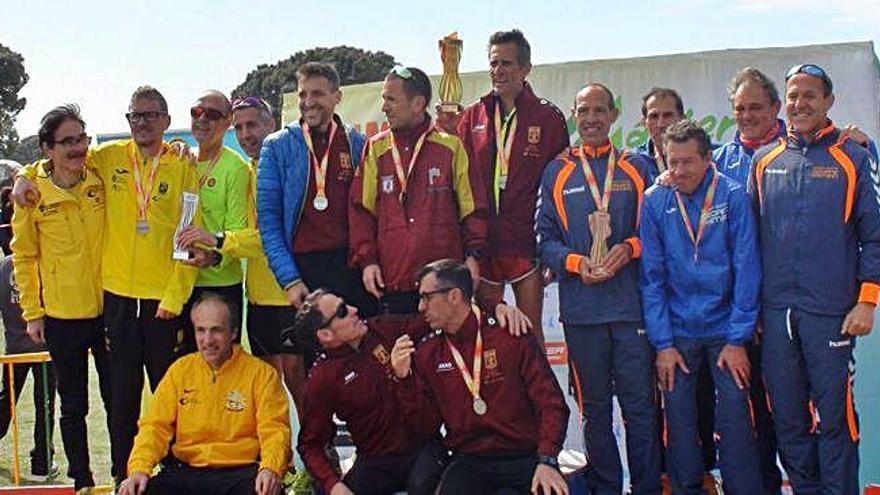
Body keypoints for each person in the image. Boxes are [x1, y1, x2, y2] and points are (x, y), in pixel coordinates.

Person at [12, 86, 201, 483]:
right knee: (119, 403)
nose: (143, 123)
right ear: (127, 121)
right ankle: (119, 478)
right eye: (136, 116)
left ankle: (175, 475)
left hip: (161, 301)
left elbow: (188, 235)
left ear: (167, 120)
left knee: (168, 395)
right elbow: (46, 168)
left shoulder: (182, 164)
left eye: (152, 116)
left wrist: (175, 295)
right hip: (112, 302)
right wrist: (20, 176)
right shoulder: (108, 158)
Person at [749, 64, 880, 494]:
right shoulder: (763, 160)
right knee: (787, 419)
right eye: (793, 96)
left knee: (835, 420)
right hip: (775, 314)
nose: (799, 104)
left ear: (829, 102)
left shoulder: (853, 157)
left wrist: (867, 300)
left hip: (832, 313)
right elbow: (747, 243)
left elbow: (875, 235)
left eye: (810, 95)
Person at [536, 83, 661, 494]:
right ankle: (606, 487)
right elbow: (545, 238)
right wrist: (575, 264)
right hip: (582, 312)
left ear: (613, 114)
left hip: (630, 311)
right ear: (574, 115)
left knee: (641, 410)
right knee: (594, 410)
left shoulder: (636, 167)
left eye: (599, 110)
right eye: (584, 111)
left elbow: (656, 232)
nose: (591, 119)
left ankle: (646, 487)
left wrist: (628, 249)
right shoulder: (558, 171)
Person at [292, 286, 529, 495]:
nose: (354, 309)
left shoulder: (384, 330)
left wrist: (495, 307)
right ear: (325, 335)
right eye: (342, 311)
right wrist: (334, 485)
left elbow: (444, 314)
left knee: (423, 484)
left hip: (423, 450)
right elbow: (310, 444)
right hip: (375, 462)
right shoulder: (321, 379)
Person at [641, 120, 762, 494]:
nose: (678, 171)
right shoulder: (655, 200)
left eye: (687, 162)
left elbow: (747, 268)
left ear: (708, 159)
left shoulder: (733, 195)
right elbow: (652, 277)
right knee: (678, 422)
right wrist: (663, 345)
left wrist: (738, 338)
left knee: (735, 419)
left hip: (726, 331)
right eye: (672, 162)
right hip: (678, 333)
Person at [391, 259, 569, 494]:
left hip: (524, 457)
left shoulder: (509, 334)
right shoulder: (428, 352)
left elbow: (552, 404)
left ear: (454, 296)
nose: (420, 307)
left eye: (427, 297)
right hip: (470, 461)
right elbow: (427, 426)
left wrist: (547, 459)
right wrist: (404, 380)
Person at [180, 96, 308, 405]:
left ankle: (318, 450)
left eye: (252, 125)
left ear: (271, 124)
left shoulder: (287, 169)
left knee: (299, 382)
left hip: (290, 292)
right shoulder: (246, 170)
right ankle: (278, 453)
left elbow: (271, 237)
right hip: (258, 297)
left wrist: (221, 241)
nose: (246, 134)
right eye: (240, 128)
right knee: (267, 389)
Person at [11, 105, 111, 493]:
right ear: (47, 149)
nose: (78, 148)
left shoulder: (99, 176)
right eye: (67, 141)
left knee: (118, 398)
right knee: (73, 406)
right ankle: (82, 480)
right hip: (61, 316)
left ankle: (124, 475)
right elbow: (23, 256)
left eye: (82, 138)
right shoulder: (32, 195)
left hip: (108, 309)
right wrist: (32, 314)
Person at [457, 29, 569, 346]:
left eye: (506, 63)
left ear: (525, 69)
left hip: (526, 241)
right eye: (493, 63)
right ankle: (501, 397)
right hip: (485, 242)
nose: (498, 71)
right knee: (492, 333)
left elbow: (558, 187)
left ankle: (538, 397)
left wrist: (551, 244)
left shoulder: (548, 117)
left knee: (532, 334)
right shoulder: (472, 115)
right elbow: (461, 181)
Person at [118, 292, 290, 495]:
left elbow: (275, 430)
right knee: (137, 490)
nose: (207, 340)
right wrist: (139, 468)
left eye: (216, 330)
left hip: (240, 475)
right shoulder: (180, 370)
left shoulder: (261, 375)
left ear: (233, 332)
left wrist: (270, 468)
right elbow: (154, 426)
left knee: (268, 491)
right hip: (186, 473)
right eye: (201, 330)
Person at [350, 67, 488, 315]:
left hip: (444, 284)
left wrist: (473, 256)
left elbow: (473, 208)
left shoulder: (451, 146)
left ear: (417, 104)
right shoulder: (375, 148)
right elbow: (361, 210)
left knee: (445, 353)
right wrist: (367, 261)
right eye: (383, 99)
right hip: (394, 279)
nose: (384, 107)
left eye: (391, 99)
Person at [257, 62, 374, 318]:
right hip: (305, 269)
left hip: (351, 266)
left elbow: (368, 212)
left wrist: (368, 261)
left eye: (317, 94)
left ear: (337, 97)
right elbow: (268, 222)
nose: (308, 101)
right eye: (302, 94)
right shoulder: (277, 146)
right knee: (316, 354)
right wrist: (290, 279)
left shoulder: (358, 144)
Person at [178, 90, 249, 355]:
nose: (203, 119)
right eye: (197, 112)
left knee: (223, 366)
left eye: (213, 115)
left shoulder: (236, 167)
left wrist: (213, 258)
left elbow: (237, 229)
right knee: (185, 368)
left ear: (228, 121)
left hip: (219, 284)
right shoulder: (180, 160)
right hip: (181, 282)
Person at [0, 188, 58, 483]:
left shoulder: (4, 265)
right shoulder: (42, 261)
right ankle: (41, 463)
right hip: (43, 347)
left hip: (14, 348)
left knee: (6, 401)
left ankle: (41, 462)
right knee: (44, 406)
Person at [637, 87, 685, 178]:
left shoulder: (707, 155)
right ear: (644, 123)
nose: (660, 124)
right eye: (654, 116)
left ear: (682, 120)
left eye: (668, 115)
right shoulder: (635, 161)